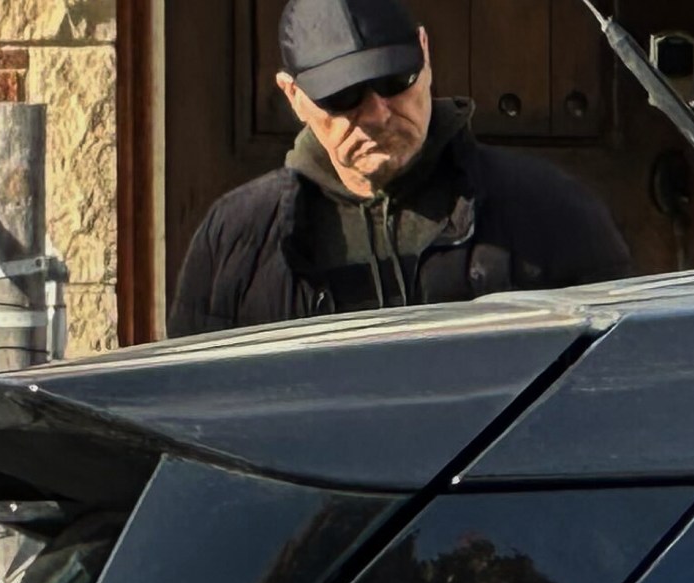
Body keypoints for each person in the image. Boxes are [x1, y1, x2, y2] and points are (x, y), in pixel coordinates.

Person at [169, 0, 629, 337]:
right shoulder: (236, 241)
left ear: (425, 54)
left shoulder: (550, 211)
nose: (376, 114)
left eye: (394, 81)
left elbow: (619, 384)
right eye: (341, 96)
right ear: (293, 96)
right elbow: (191, 414)